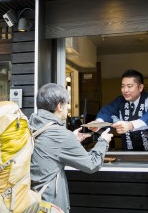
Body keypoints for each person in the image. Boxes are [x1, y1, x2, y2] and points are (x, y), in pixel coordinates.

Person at [29, 83, 113, 213]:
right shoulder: (60, 134)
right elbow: (91, 164)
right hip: (49, 205)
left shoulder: (31, 125)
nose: (68, 108)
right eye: (67, 104)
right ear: (59, 106)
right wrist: (103, 141)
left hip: (30, 199)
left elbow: (49, 148)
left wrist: (71, 139)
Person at [90, 69, 148, 151]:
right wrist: (98, 123)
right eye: (123, 86)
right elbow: (108, 112)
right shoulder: (120, 101)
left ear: (140, 87)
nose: (125, 90)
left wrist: (129, 125)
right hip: (130, 154)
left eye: (129, 86)